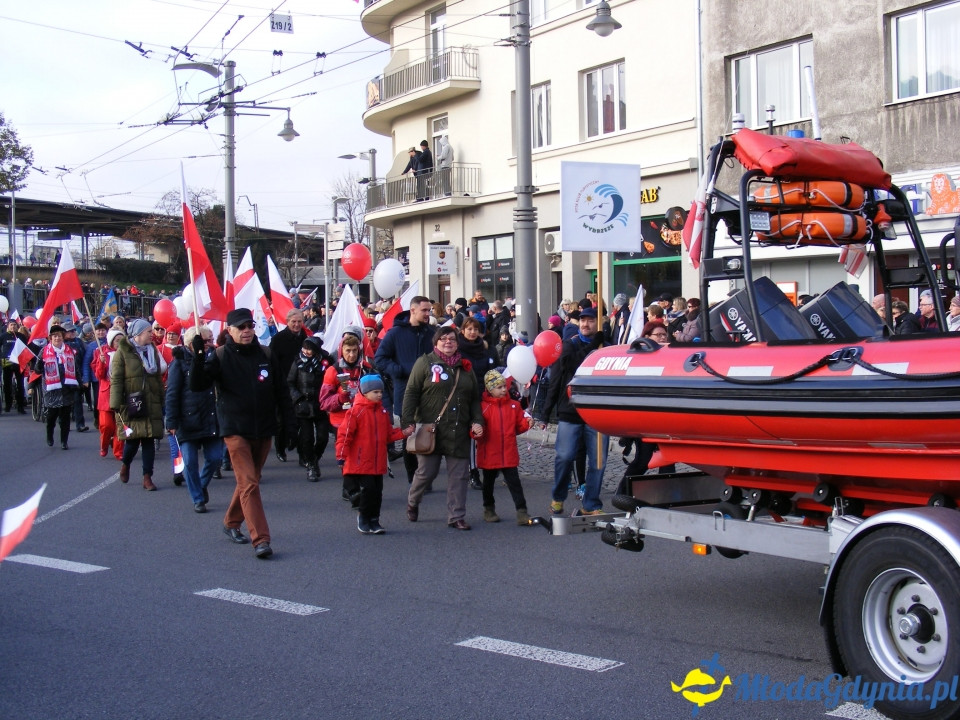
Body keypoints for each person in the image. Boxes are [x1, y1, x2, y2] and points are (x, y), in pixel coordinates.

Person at [190, 308, 294, 560]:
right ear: (230, 331)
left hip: (263, 428)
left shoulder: (266, 354)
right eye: (241, 327)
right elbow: (198, 384)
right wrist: (198, 356)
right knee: (248, 482)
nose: (247, 331)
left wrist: (289, 425)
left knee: (251, 480)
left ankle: (231, 522)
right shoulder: (220, 355)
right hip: (235, 429)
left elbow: (281, 391)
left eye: (249, 326)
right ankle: (261, 539)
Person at [402, 325, 483, 530]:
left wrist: (477, 420)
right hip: (431, 429)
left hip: (458, 429)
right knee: (426, 472)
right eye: (443, 339)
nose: (448, 342)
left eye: (452, 339)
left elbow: (474, 397)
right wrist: (407, 420)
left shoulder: (465, 366)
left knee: (459, 475)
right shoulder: (425, 363)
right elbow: (411, 392)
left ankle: (456, 515)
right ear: (436, 342)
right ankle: (413, 500)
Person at [542, 307, 607, 516]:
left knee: (598, 462)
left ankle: (591, 504)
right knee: (565, 456)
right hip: (571, 411)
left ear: (600, 322)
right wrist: (545, 411)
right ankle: (558, 496)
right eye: (582, 320)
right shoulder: (569, 345)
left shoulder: (606, 346)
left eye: (590, 320)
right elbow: (573, 368)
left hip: (598, 414)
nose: (585, 324)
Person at [335, 374, 413, 534]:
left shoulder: (382, 412)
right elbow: (345, 435)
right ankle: (363, 516)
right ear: (365, 392)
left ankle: (374, 519)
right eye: (375, 392)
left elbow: (388, 435)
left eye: (380, 391)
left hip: (378, 462)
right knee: (368, 491)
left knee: (377, 493)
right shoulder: (355, 412)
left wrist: (403, 433)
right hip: (361, 461)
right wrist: (341, 456)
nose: (379, 395)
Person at [374, 295, 435, 481]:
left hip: (429, 393)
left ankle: (425, 475)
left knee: (428, 434)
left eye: (429, 310)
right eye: (424, 310)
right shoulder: (395, 334)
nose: (428, 314)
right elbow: (380, 359)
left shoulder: (432, 333)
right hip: (405, 393)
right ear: (413, 310)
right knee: (409, 436)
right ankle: (413, 477)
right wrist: (399, 370)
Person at [165, 325, 223, 514]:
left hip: (210, 416)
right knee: (189, 461)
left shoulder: (215, 358)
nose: (209, 343)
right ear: (192, 344)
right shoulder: (179, 362)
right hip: (188, 419)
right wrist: (171, 421)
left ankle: (202, 483)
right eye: (205, 340)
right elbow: (172, 393)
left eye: (210, 339)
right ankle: (197, 498)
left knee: (215, 457)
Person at [110, 318, 167, 491]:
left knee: (149, 440)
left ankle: (147, 477)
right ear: (138, 334)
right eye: (148, 332)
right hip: (132, 402)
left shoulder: (153, 351)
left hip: (150, 402)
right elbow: (117, 378)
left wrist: (161, 397)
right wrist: (116, 403)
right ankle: (125, 465)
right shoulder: (123, 352)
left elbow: (157, 376)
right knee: (133, 441)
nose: (152, 334)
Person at [321, 329, 373, 499]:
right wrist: (340, 397)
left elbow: (378, 392)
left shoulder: (366, 368)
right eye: (347, 351)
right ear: (341, 351)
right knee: (347, 453)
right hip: (341, 420)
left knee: (362, 453)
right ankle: (351, 490)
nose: (351, 354)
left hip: (363, 418)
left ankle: (353, 487)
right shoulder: (333, 371)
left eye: (354, 350)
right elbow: (324, 401)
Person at [476, 369, 531, 525]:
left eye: (504, 386)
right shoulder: (482, 407)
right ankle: (489, 508)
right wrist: (476, 432)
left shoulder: (513, 406)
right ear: (489, 389)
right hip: (489, 454)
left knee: (515, 484)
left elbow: (518, 427)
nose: (503, 390)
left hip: (508, 453)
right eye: (498, 387)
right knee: (488, 484)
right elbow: (476, 430)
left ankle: (522, 511)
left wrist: (526, 424)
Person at [290, 336, 333, 482]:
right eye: (305, 348)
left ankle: (314, 458)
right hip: (303, 405)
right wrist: (297, 398)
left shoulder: (324, 362)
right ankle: (311, 466)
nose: (307, 352)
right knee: (307, 437)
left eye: (310, 349)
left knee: (323, 437)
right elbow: (290, 382)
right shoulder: (297, 362)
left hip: (320, 404)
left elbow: (331, 380)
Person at [270, 308, 307, 462]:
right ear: (287, 322)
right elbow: (272, 362)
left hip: (301, 384)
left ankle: (299, 449)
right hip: (282, 384)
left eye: (299, 322)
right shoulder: (278, 339)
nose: (297, 325)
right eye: (294, 322)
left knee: (300, 419)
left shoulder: (306, 338)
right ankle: (280, 448)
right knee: (281, 421)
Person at [36, 325, 80, 450]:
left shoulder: (69, 350)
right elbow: (37, 370)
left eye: (59, 336)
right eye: (54, 336)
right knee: (51, 417)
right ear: (50, 338)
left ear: (63, 337)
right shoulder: (44, 351)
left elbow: (76, 368)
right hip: (51, 390)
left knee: (65, 418)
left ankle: (64, 441)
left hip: (66, 389)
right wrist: (40, 362)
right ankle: (50, 435)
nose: (57, 338)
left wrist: (80, 384)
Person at [91, 328, 125, 460]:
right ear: (111, 341)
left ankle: (119, 451)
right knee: (106, 425)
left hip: (122, 393)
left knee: (119, 426)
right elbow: (99, 375)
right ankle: (104, 445)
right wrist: (100, 363)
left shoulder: (126, 353)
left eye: (122, 340)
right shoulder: (101, 352)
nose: (119, 342)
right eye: (117, 340)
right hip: (106, 394)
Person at [62, 321, 90, 432]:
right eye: (70, 331)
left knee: (78, 400)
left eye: (74, 330)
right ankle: (64, 424)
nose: (73, 332)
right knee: (65, 403)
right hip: (64, 376)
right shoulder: (61, 344)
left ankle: (80, 424)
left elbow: (86, 358)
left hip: (77, 376)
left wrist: (84, 376)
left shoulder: (79, 342)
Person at [1, 319, 27, 413]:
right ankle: (8, 405)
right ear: (8, 326)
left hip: (19, 363)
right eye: (11, 325)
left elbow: (26, 348)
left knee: (20, 385)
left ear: (17, 326)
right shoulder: (3, 336)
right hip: (7, 363)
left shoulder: (22, 336)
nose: (13, 327)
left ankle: (20, 406)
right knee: (7, 385)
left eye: (15, 325)